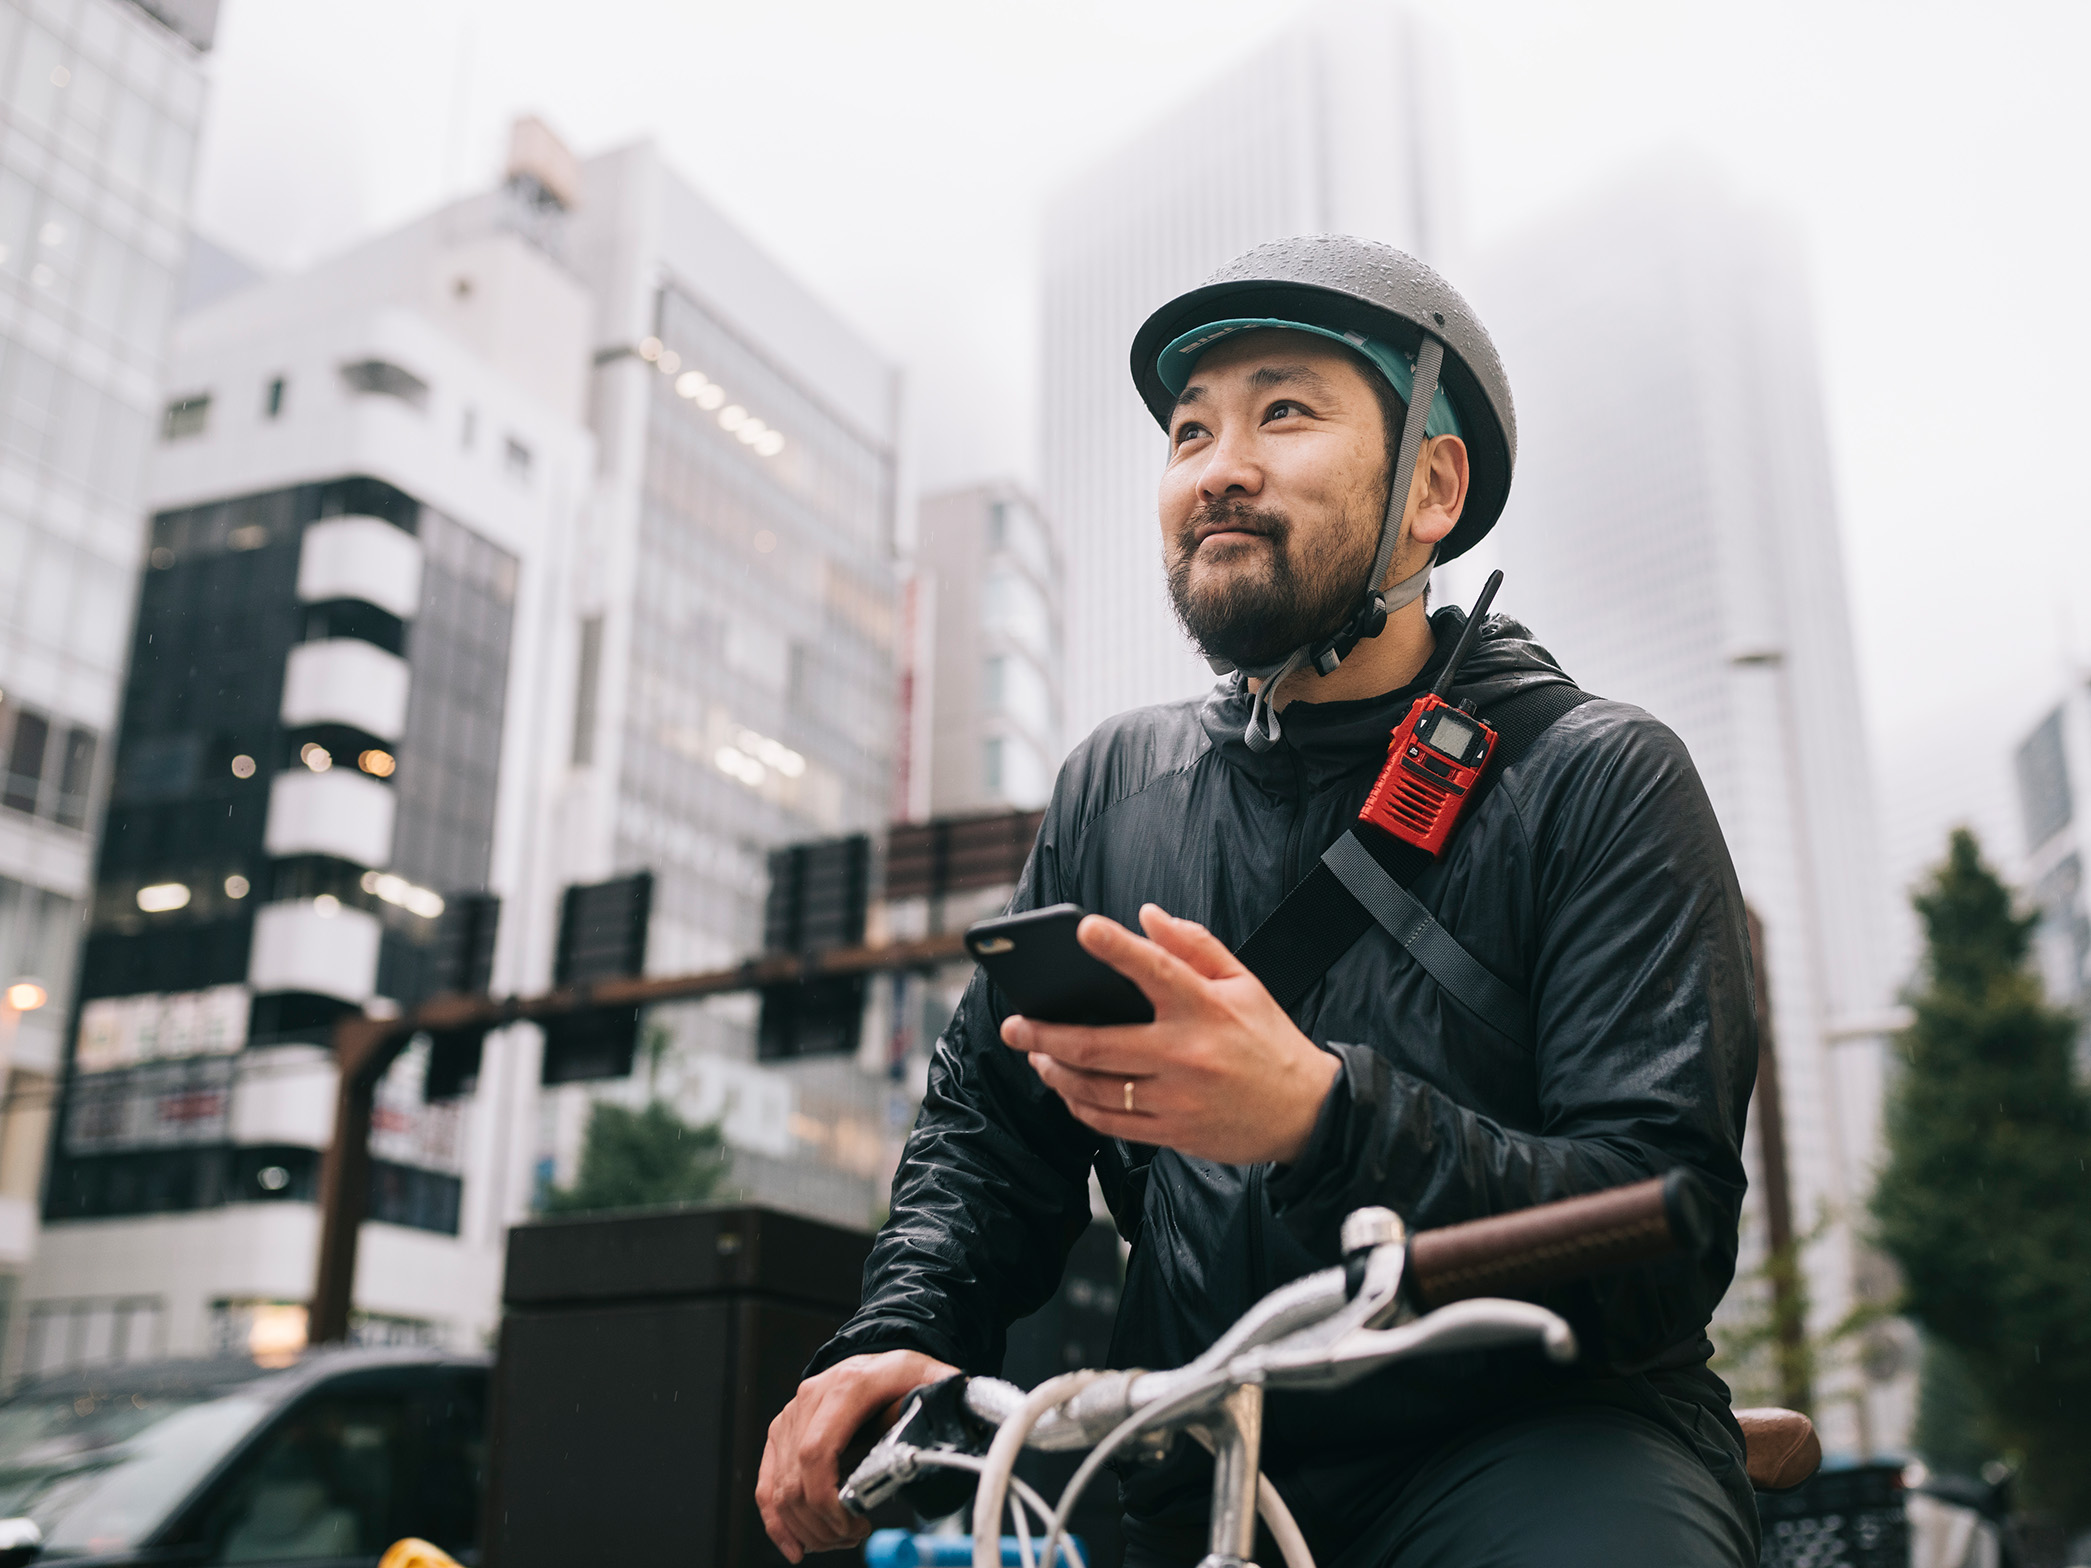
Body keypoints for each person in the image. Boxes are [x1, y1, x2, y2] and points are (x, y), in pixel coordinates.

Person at [758, 235, 1761, 1567]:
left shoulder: (1598, 778)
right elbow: (989, 1132)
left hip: (1540, 1442)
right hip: (1177, 1450)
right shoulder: (1118, 786)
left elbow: (1665, 1223)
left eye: (1285, 411)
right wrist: (898, 1331)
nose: (1219, 465)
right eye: (1189, 431)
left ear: (1430, 492)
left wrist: (1323, 1119)